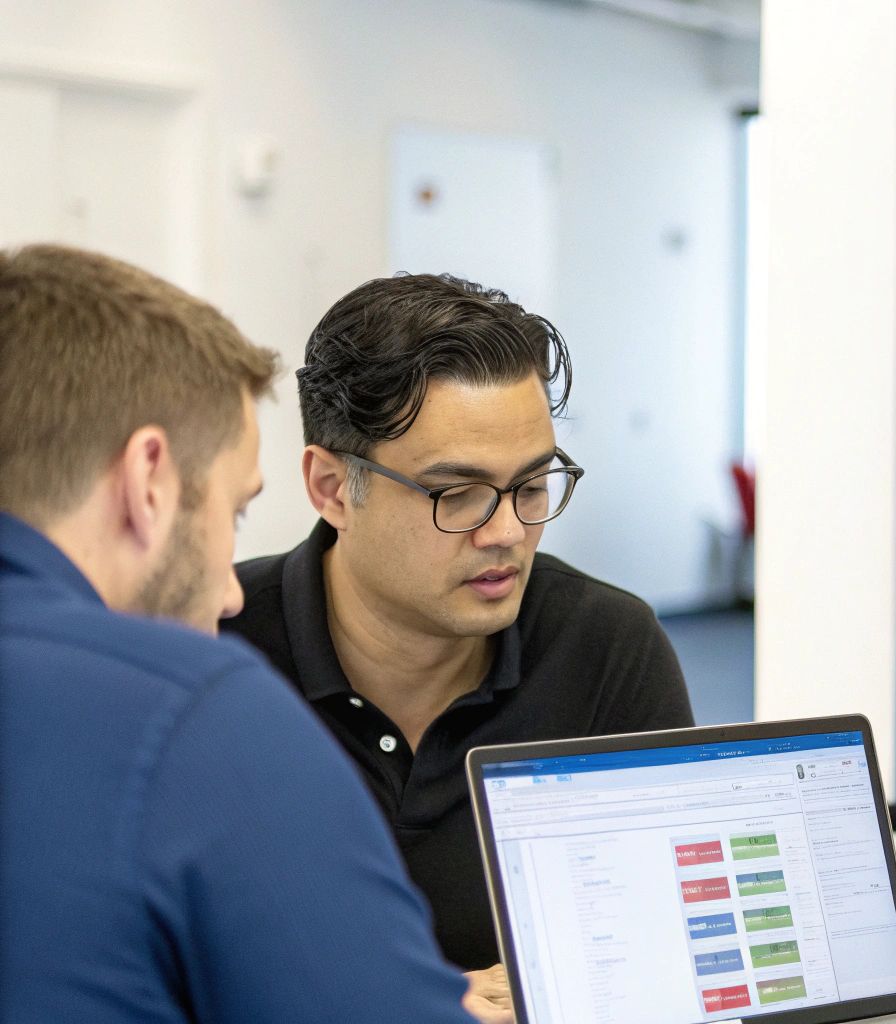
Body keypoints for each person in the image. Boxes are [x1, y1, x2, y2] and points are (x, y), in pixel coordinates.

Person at [0, 244, 506, 1023]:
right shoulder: (193, 709)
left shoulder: (607, 639)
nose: (231, 592)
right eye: (234, 512)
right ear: (147, 481)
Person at [221, 273, 694, 971]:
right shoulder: (208, 646)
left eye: (531, 485)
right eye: (457, 494)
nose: (507, 532)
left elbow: (666, 948)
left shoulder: (606, 645)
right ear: (331, 488)